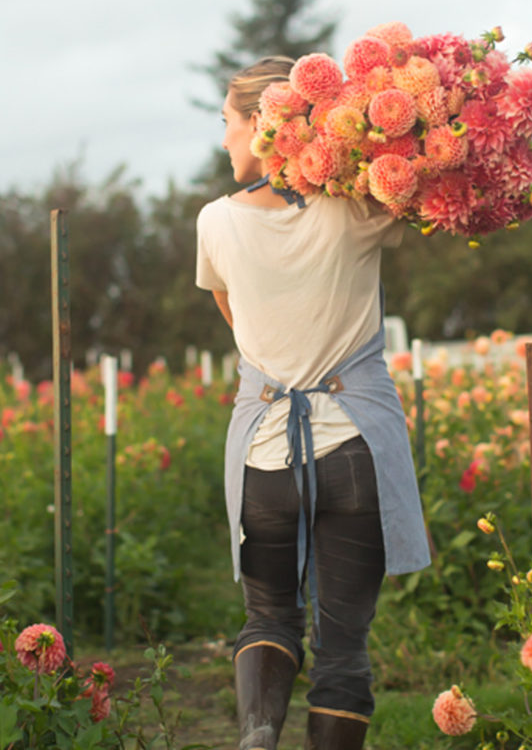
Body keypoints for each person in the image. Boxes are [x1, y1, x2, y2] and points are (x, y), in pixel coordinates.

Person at [195, 55, 430, 750]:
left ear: (261, 127)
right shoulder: (357, 209)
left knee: (268, 616)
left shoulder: (214, 222)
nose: (226, 140)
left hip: (266, 452)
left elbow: (237, 322)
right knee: (344, 647)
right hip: (354, 446)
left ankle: (258, 733)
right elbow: (428, 201)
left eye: (228, 125)